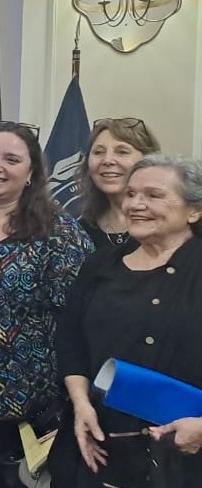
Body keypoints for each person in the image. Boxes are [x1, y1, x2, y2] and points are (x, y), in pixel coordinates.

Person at [0, 121, 93, 488]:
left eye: (11, 159)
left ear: (31, 174)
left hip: (37, 410)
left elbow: (82, 319)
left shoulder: (59, 232)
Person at [56, 155, 202, 488]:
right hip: (99, 447)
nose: (135, 204)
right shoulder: (99, 265)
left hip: (186, 458)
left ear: (194, 211)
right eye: (131, 194)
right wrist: (80, 403)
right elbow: (70, 342)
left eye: (153, 195)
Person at [77, 117, 160, 249]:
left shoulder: (166, 225)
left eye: (122, 152)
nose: (107, 160)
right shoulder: (79, 232)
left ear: (148, 160)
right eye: (99, 152)